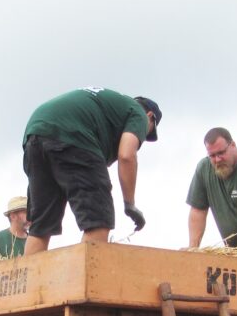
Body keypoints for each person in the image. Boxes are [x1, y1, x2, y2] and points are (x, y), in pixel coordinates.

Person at [22, 88, 160, 255]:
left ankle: (31, 273)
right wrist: (130, 204)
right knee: (98, 221)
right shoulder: (138, 112)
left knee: (41, 227)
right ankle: (82, 273)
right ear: (150, 116)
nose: (142, 137)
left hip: (35, 133)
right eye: (148, 132)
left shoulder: (109, 107)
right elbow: (126, 155)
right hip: (73, 136)